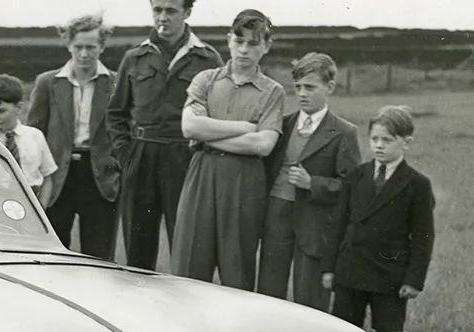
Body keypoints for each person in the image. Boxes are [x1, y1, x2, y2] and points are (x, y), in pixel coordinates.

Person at [170, 8, 285, 290]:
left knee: (237, 269)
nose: (244, 49)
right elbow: (189, 128)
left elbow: (263, 144)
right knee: (188, 266)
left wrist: (206, 134)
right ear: (228, 40)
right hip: (202, 175)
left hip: (244, 182)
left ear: (266, 46)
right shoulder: (206, 80)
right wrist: (244, 128)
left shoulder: (273, 92)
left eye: (253, 43)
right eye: (239, 40)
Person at [106, 0, 222, 271]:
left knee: (185, 246)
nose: (163, 17)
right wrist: (127, 156)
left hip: (185, 158)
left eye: (170, 10)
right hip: (141, 156)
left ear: (187, 12)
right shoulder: (134, 57)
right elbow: (115, 113)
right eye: (157, 10)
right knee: (138, 249)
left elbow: (217, 115)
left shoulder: (208, 59)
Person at [323, 105, 435, 332]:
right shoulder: (356, 176)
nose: (379, 145)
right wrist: (329, 268)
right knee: (343, 329)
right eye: (374, 139)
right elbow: (338, 224)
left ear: (405, 142)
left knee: (388, 331)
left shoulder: (417, 185)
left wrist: (413, 280)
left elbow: (423, 237)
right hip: (351, 269)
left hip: (390, 275)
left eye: (387, 140)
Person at [256, 52, 361, 310]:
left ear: (330, 88)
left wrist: (312, 183)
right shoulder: (284, 124)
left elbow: (352, 187)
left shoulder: (344, 132)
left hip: (315, 224)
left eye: (311, 87)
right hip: (276, 215)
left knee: (310, 297)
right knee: (269, 290)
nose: (303, 93)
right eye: (298, 87)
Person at [27, 13, 119, 260]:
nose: (84, 54)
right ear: (69, 45)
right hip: (58, 177)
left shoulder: (117, 84)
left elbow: (124, 134)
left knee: (100, 258)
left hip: (100, 179)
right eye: (78, 47)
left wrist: (118, 174)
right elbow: (34, 134)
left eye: (91, 47)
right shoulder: (47, 83)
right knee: (55, 256)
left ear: (102, 46)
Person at [0, 73, 58, 208]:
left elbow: (48, 177)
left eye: (1, 111)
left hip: (31, 200)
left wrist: (41, 209)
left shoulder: (35, 136)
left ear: (18, 108)